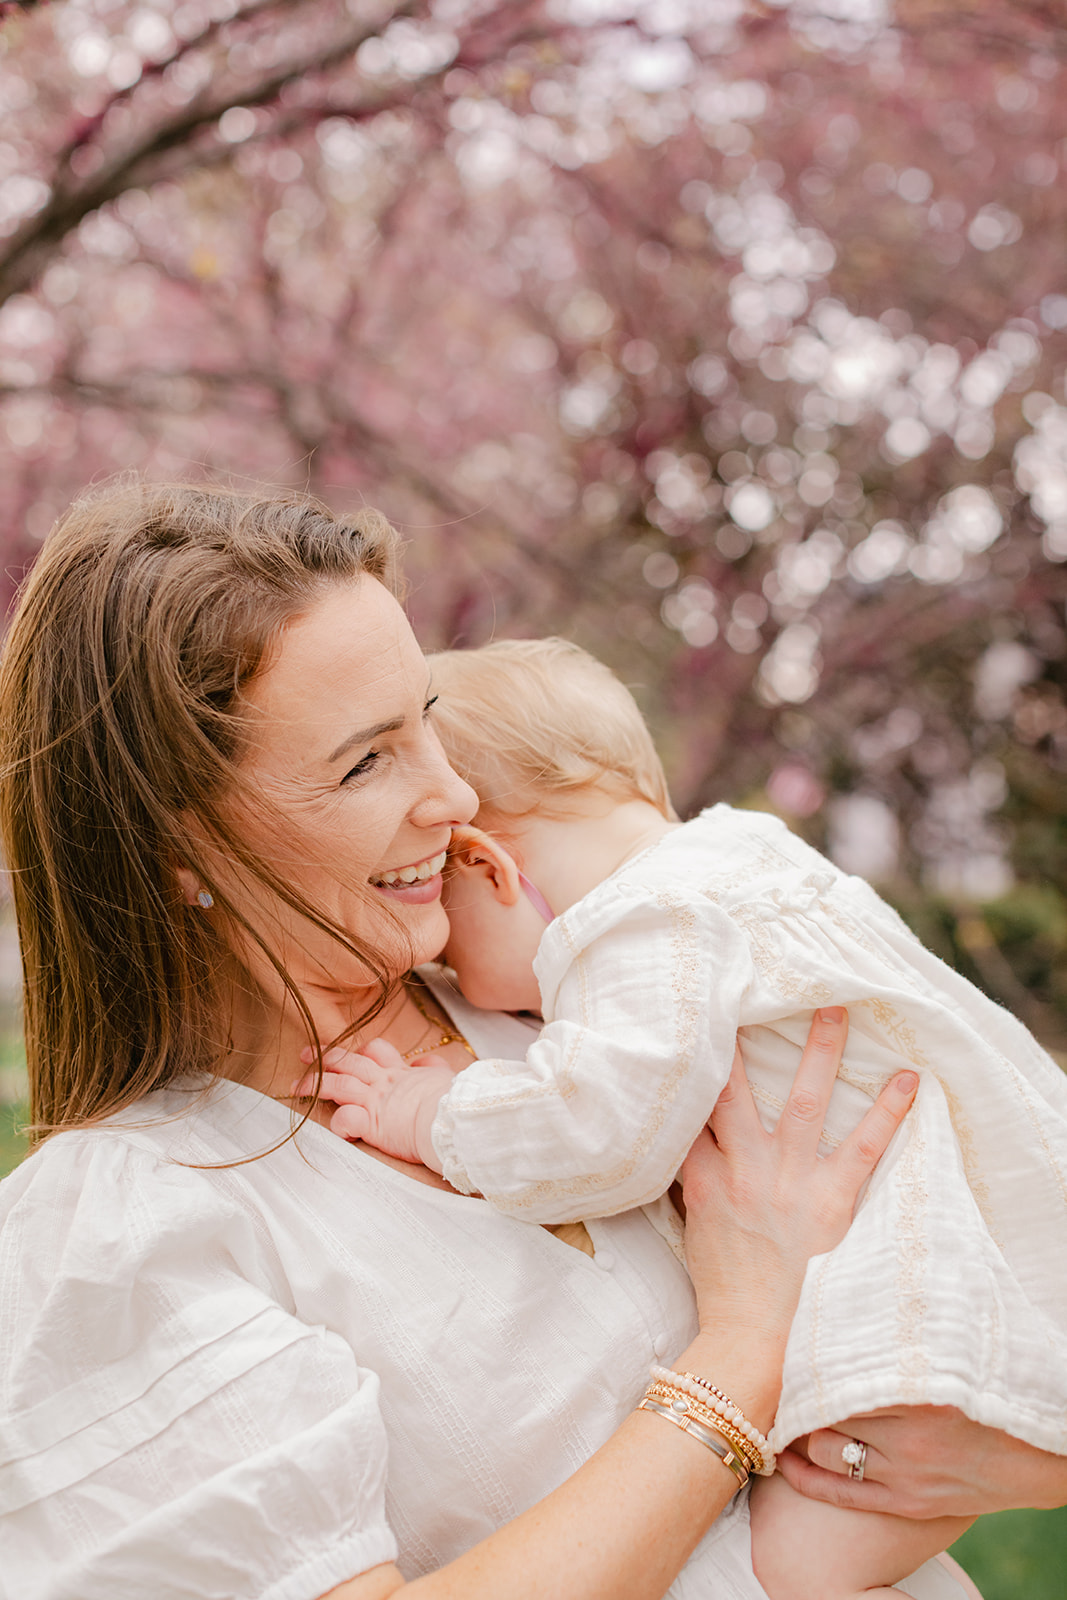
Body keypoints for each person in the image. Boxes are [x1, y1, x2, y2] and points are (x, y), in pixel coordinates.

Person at [0, 482, 1053, 1600]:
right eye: (366, 762)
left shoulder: (554, 1006)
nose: (453, 795)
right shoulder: (126, 1228)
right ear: (176, 846)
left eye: (430, 725)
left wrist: (1005, 1451)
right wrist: (739, 1349)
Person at [303, 636, 1067, 1599]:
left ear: (491, 868)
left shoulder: (639, 924)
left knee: (796, 1546)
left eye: (455, 945)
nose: (462, 981)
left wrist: (429, 1112)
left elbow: (600, 1132)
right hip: (975, 1222)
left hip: (905, 1278)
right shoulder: (742, 855)